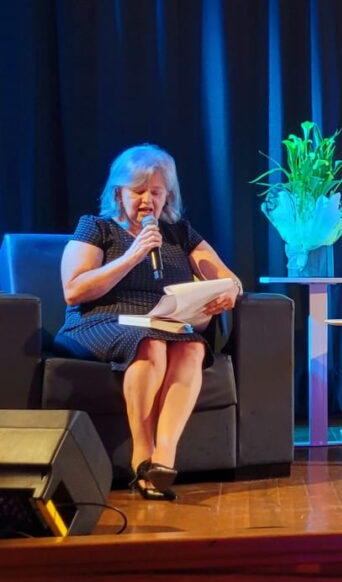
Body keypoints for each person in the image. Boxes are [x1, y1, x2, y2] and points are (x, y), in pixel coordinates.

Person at [57, 144, 242, 499]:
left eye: (155, 192)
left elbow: (227, 277)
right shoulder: (95, 228)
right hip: (98, 322)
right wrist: (133, 254)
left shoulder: (179, 233)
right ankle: (140, 455)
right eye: (138, 191)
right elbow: (74, 291)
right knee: (150, 341)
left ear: (167, 195)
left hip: (162, 323)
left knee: (191, 347)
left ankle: (163, 459)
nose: (147, 200)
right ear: (118, 193)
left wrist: (229, 293)